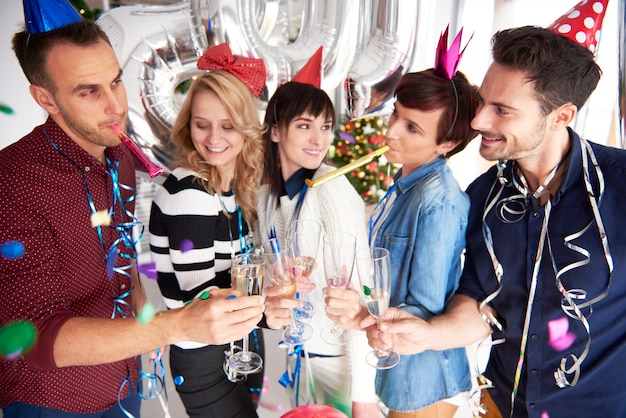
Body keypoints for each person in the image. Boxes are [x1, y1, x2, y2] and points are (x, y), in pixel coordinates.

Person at [0, 3, 264, 417]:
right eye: (89, 91)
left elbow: (122, 261)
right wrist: (173, 325)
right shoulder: (13, 180)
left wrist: (145, 323)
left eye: (116, 82)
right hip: (53, 402)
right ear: (44, 97)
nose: (115, 106)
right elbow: (32, 338)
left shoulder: (119, 155)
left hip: (127, 386)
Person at [361, 10, 626, 418]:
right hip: (500, 407)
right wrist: (430, 333)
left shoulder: (621, 185)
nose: (478, 119)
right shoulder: (483, 195)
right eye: (483, 101)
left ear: (561, 117)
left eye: (502, 110)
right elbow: (482, 306)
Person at [327, 26, 481, 418]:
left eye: (412, 127)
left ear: (446, 144)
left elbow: (422, 311)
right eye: (397, 113)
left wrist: (361, 315)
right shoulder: (405, 183)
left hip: (423, 379)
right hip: (397, 367)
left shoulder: (437, 203)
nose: (391, 129)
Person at [148, 43, 269, 418]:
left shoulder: (231, 187)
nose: (213, 138)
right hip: (205, 354)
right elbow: (204, 303)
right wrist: (269, 305)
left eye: (227, 125)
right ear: (189, 125)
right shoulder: (191, 191)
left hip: (240, 341)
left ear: (246, 127)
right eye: (202, 125)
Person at [256, 77, 379, 417]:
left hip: (341, 366)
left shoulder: (331, 187)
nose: (319, 139)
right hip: (295, 360)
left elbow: (360, 285)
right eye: (304, 125)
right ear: (276, 131)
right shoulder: (264, 195)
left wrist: (363, 397)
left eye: (325, 126)